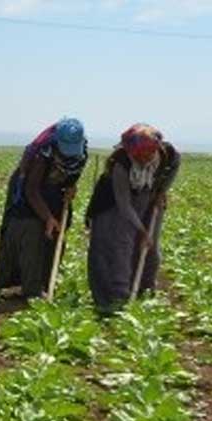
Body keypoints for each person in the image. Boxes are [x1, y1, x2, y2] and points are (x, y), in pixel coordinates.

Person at [86, 123, 181, 315]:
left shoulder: (168, 154)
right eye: (137, 155)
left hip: (148, 195)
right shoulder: (120, 163)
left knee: (150, 247)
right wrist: (141, 230)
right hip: (113, 203)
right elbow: (124, 204)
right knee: (121, 245)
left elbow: (173, 169)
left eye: (146, 155)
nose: (141, 159)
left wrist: (161, 191)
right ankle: (116, 298)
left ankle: (145, 292)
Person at [0, 117, 89, 299]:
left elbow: (71, 179)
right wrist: (47, 218)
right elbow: (31, 189)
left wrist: (71, 188)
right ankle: (28, 286)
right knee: (31, 231)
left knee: (56, 234)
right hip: (29, 193)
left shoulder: (81, 152)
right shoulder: (43, 153)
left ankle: (46, 282)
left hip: (55, 194)